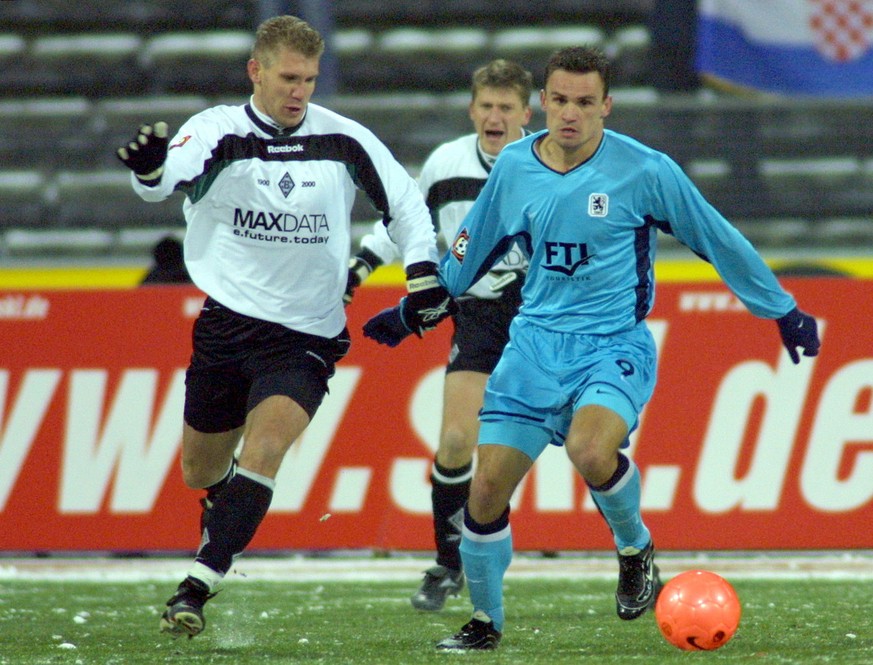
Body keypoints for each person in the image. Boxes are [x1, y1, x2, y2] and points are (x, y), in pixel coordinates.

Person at [363, 45, 821, 651]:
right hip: (531, 348)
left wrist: (780, 308)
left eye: (584, 102)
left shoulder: (645, 170)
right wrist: (411, 312)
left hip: (612, 345)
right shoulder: (515, 167)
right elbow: (470, 255)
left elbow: (716, 236)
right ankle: (486, 623)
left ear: (606, 106)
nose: (570, 113)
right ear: (542, 104)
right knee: (484, 490)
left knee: (589, 445)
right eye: (559, 100)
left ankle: (634, 550)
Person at [116, 15, 452, 639]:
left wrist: (423, 274)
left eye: (310, 80)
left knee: (265, 450)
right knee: (200, 470)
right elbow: (167, 179)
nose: (300, 91)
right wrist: (148, 169)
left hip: (308, 333)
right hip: (227, 324)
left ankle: (197, 585)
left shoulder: (343, 138)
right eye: (289, 78)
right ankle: (224, 512)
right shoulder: (216, 130)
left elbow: (406, 204)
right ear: (257, 71)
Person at [346, 59, 533, 612]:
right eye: (486, 106)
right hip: (476, 311)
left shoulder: (549, 162)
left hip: (544, 314)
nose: (494, 116)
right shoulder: (446, 163)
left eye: (506, 108)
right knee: (455, 442)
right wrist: (360, 265)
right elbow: (404, 221)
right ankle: (448, 565)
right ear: (472, 110)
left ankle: (636, 557)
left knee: (589, 445)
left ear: (527, 113)